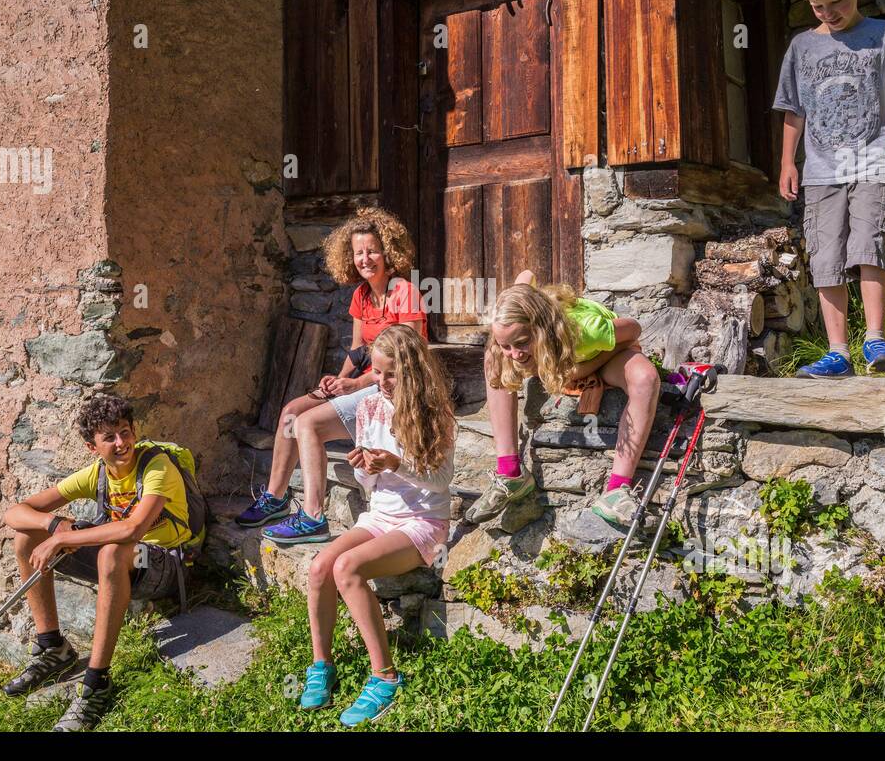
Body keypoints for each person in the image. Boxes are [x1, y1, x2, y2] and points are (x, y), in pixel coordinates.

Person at [2, 394, 200, 731]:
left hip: (168, 564)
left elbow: (133, 528)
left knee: (111, 550)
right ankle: (53, 648)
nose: (121, 443)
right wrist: (51, 526)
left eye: (125, 432)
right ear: (92, 447)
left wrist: (64, 537)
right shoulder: (96, 473)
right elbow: (15, 512)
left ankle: (96, 683)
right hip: (125, 562)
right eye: (109, 437)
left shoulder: (157, 466)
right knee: (26, 536)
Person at [293, 324, 455, 726]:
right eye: (378, 372)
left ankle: (385, 677)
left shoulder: (435, 413)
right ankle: (321, 665)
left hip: (423, 520)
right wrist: (365, 469)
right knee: (318, 569)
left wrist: (397, 463)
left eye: (391, 373)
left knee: (347, 568)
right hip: (381, 515)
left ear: (412, 371)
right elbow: (371, 485)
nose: (381, 381)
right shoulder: (368, 407)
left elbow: (442, 480)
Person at [235, 207, 427, 544]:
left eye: (372, 250)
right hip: (363, 382)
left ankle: (312, 517)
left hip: (392, 387)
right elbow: (358, 352)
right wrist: (337, 380)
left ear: (388, 252)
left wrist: (355, 384)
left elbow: (406, 358)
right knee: (291, 412)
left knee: (308, 424)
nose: (365, 259)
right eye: (358, 253)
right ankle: (277, 497)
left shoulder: (404, 293)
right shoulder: (361, 296)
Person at [773, 0, 885, 378]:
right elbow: (793, 109)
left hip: (871, 161)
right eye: (818, 6)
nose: (828, 12)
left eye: (836, 1)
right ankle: (838, 353)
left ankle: (876, 338)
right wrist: (787, 162)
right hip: (819, 170)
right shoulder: (801, 47)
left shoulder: (883, 34)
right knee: (825, 256)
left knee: (869, 245)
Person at [468, 271, 660, 529]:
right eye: (508, 345)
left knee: (645, 378)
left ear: (541, 326)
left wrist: (586, 368)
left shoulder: (587, 330)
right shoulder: (516, 317)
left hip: (605, 354)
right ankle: (510, 471)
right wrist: (507, 348)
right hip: (562, 359)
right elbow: (526, 275)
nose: (514, 354)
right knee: (493, 357)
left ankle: (617, 489)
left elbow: (634, 329)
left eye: (522, 342)